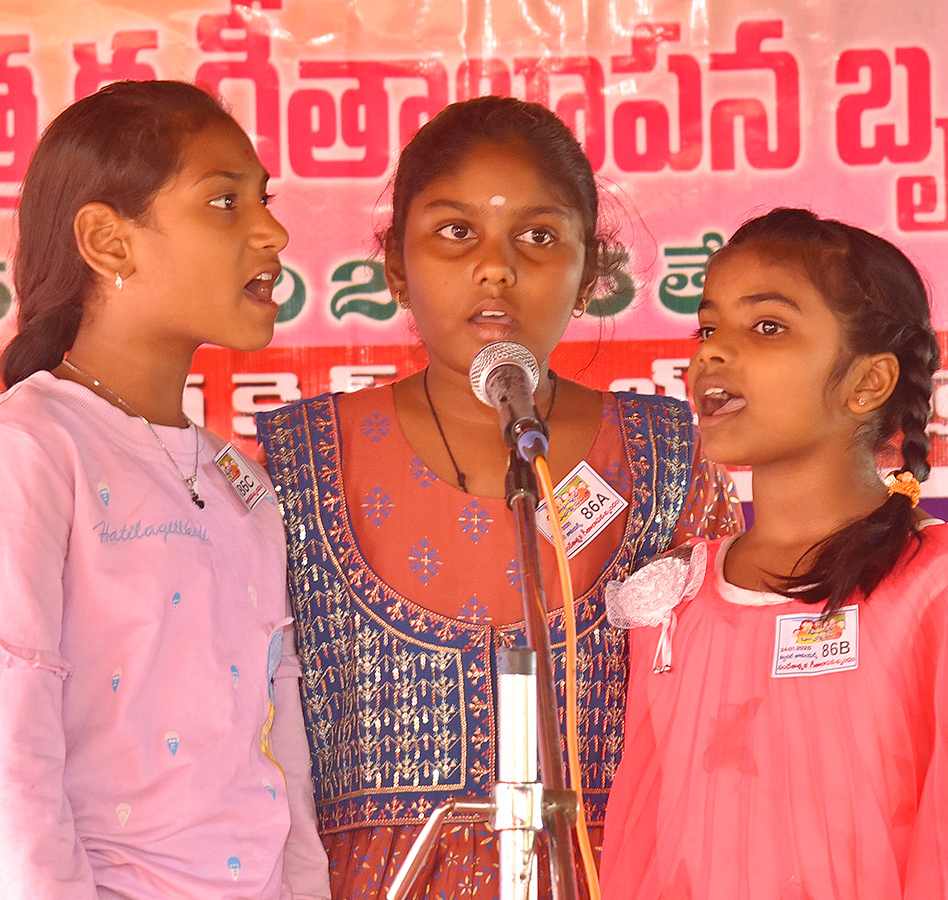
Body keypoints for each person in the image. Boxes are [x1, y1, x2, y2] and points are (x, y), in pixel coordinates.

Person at [255, 95, 741, 898]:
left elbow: (725, 736)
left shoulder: (673, 459)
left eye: (540, 238)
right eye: (455, 232)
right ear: (396, 267)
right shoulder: (293, 467)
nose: (496, 267)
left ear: (590, 274)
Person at [600, 207, 948, 899]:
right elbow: (639, 856)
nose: (710, 353)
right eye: (707, 327)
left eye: (766, 327)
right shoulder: (672, 599)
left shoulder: (943, 580)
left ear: (868, 382)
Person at [0, 80, 329, 900]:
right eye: (224, 202)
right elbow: (5, 762)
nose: (273, 232)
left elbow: (279, 757)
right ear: (108, 241)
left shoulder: (240, 482)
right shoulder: (26, 451)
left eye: (265, 200)